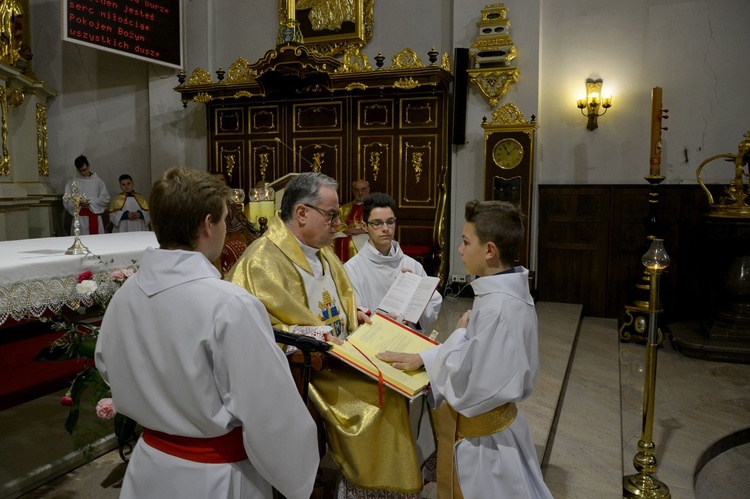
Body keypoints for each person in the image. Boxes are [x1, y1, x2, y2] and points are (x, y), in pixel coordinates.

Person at [94, 167, 319, 499]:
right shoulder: (230, 304)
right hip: (217, 477)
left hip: (149, 467)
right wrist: (298, 476)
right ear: (207, 223)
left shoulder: (126, 293)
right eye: (226, 219)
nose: (227, 229)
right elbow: (271, 413)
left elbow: (108, 369)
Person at [225, 172, 424, 499]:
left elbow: (339, 303)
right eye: (332, 215)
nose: (340, 223)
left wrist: (355, 317)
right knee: (383, 400)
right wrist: (317, 336)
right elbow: (248, 328)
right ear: (301, 213)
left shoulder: (322, 251)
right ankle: (370, 489)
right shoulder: (262, 261)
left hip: (340, 354)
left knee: (411, 376)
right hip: (307, 368)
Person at [378, 200, 553, 499]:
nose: (459, 249)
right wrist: (426, 357)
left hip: (485, 448)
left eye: (465, 241)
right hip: (495, 429)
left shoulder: (498, 308)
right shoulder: (503, 291)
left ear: (489, 250)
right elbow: (478, 357)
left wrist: (457, 335)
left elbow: (466, 384)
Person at [344, 192, 442, 333]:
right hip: (372, 342)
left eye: (390, 222)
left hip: (407, 339)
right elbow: (354, 312)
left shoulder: (412, 265)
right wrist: (386, 320)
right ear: (364, 226)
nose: (385, 228)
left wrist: (415, 298)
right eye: (377, 223)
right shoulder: (352, 269)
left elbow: (434, 303)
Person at [63, 155, 110, 235]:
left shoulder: (98, 182)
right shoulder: (72, 182)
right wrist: (78, 203)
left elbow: (105, 198)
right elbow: (66, 199)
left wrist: (90, 201)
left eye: (84, 169)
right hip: (79, 218)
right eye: (80, 170)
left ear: (88, 165)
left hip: (95, 217)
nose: (83, 173)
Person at [333, 178, 369, 262]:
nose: (360, 193)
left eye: (363, 189)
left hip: (366, 234)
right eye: (357, 190)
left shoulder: (374, 207)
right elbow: (338, 223)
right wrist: (347, 230)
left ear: (368, 189)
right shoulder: (344, 208)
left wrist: (362, 231)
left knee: (352, 244)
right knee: (330, 242)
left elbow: (378, 224)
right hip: (347, 233)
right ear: (353, 191)